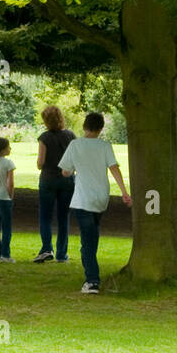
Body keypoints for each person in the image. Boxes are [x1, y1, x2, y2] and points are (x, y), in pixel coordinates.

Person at [61, 112, 132, 293]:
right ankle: (91, 275)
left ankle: (92, 280)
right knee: (92, 236)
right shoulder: (105, 146)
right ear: (101, 128)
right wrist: (124, 192)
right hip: (101, 198)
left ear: (85, 126)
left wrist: (74, 170)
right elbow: (114, 168)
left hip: (83, 198)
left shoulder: (75, 145)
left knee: (88, 241)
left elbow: (65, 171)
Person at [34, 105, 76, 263]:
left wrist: (39, 165)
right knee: (63, 217)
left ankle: (46, 248)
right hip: (67, 180)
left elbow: (41, 162)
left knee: (45, 216)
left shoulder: (44, 137)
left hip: (48, 180)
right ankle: (61, 254)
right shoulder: (70, 135)